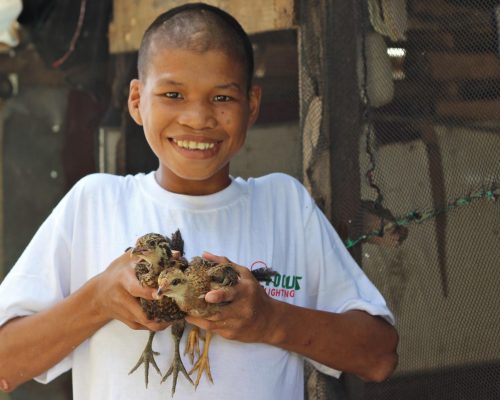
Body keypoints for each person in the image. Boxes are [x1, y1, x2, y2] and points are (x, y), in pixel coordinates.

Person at [0, 3, 398, 399]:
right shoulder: (95, 203)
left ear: (251, 105)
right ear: (137, 100)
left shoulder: (285, 205)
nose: (197, 118)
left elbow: (379, 356)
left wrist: (270, 319)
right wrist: (98, 299)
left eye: (222, 98)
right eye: (173, 94)